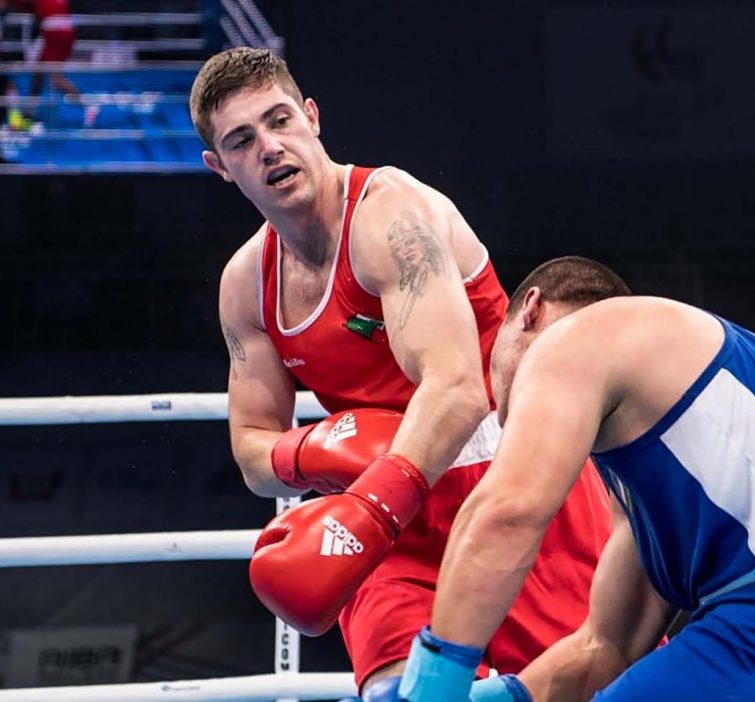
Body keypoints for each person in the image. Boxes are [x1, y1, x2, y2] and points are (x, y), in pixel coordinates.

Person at [187, 49, 611, 693]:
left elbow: (458, 390)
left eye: (279, 122)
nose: (270, 148)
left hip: (513, 481)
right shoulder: (246, 285)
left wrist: (370, 505)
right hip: (389, 510)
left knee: (586, 682)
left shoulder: (391, 217)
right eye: (243, 140)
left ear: (312, 118)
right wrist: (317, 447)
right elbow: (251, 450)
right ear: (220, 166)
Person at [383, 256, 755, 701]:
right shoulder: (656, 469)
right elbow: (608, 646)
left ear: (528, 311)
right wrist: (504, 696)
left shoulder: (573, 338)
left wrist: (435, 685)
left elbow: (506, 513)